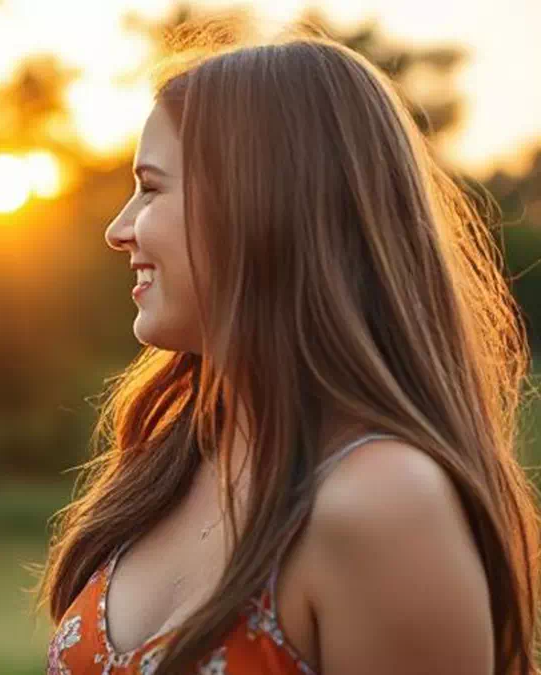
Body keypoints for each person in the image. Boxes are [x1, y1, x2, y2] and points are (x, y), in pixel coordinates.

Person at [40, 36, 539, 675]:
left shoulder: (384, 505)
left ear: (260, 204)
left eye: (151, 188)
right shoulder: (172, 464)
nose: (119, 229)